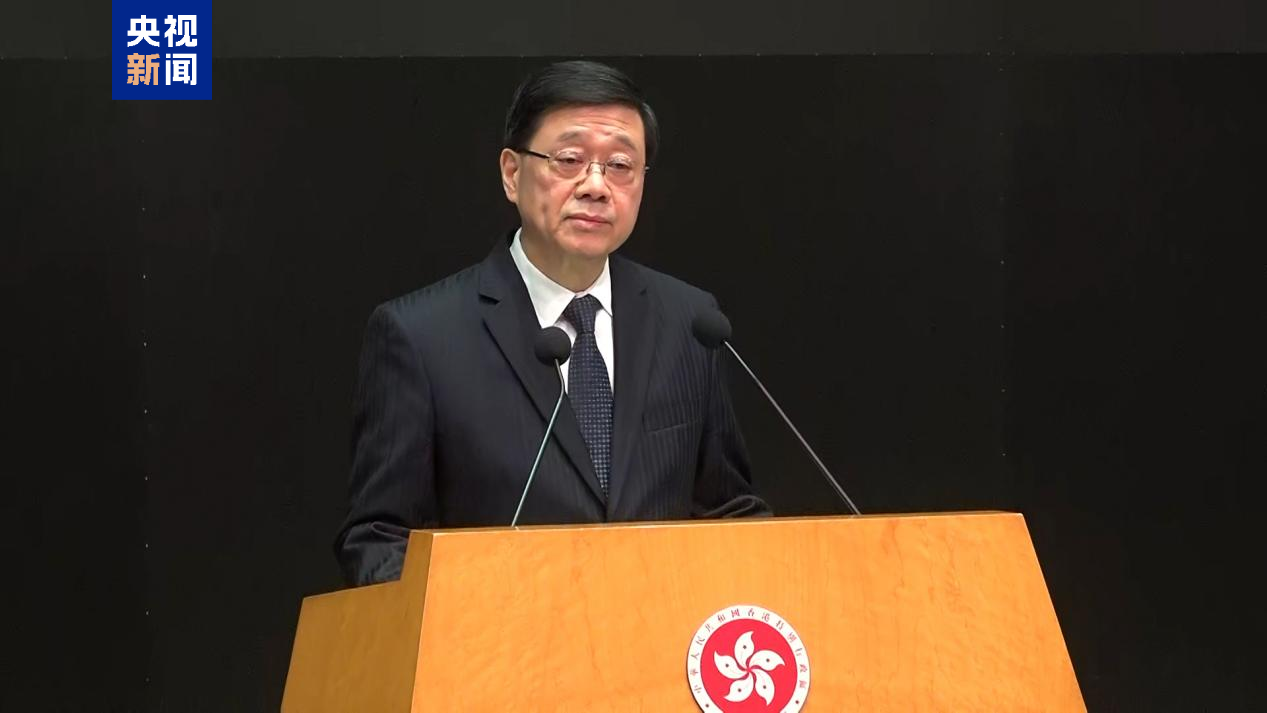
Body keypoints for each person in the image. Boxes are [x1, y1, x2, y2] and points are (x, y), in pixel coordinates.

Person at [335, 60, 770, 586]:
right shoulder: (420, 336)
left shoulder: (690, 322)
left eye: (620, 165)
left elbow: (728, 512)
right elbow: (380, 540)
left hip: (659, 630)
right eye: (569, 160)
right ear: (511, 173)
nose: (596, 186)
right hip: (498, 633)